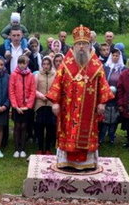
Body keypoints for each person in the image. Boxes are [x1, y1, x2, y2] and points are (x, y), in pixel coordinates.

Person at [46, 25, 114, 170]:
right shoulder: (66, 63)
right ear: (74, 45)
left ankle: (87, 163)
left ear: (89, 45)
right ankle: (66, 162)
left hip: (89, 112)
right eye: (79, 44)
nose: (81, 47)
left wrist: (102, 103)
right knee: (68, 133)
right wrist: (55, 103)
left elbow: (103, 85)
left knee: (87, 134)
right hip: (68, 110)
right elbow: (57, 83)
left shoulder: (96, 64)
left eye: (84, 44)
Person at [9, 55, 36, 159]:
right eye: (20, 63)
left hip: (26, 107)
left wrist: (28, 106)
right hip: (17, 107)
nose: (22, 65)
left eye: (24, 63)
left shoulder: (31, 76)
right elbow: (11, 91)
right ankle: (16, 148)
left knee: (24, 126)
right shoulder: (14, 75)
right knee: (17, 127)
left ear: (27, 64)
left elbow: (32, 91)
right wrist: (15, 106)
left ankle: (23, 148)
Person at [34, 57, 57, 154]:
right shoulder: (37, 75)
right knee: (40, 126)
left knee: (50, 127)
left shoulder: (55, 75)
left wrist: (49, 96)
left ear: (51, 65)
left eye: (48, 64)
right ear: (42, 65)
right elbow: (34, 89)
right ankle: (40, 148)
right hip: (40, 104)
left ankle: (47, 148)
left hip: (51, 104)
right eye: (44, 64)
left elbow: (56, 88)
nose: (46, 66)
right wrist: (41, 96)